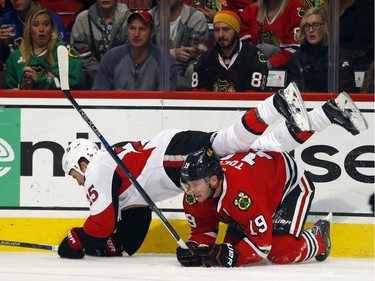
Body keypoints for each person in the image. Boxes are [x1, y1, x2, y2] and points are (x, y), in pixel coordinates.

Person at [57, 82, 368, 259]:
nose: (79, 182)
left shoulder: (97, 166)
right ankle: (329, 112)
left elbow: (100, 222)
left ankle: (276, 102)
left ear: (81, 162)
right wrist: (111, 245)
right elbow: (131, 224)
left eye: (75, 175)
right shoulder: (117, 174)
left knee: (229, 140)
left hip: (169, 159)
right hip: (169, 157)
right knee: (266, 147)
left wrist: (76, 239)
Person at [176, 91, 368, 267]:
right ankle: (326, 112)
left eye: (195, 184)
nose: (190, 190)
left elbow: (262, 245)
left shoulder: (241, 195)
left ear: (214, 180)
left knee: (280, 252)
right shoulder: (197, 193)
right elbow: (202, 230)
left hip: (288, 185)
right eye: (188, 184)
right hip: (262, 175)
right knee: (229, 247)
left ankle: (319, 239)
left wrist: (235, 257)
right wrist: (194, 248)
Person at [92, 10, 177, 90]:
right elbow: (98, 95)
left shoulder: (165, 61)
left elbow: (166, 101)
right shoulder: (111, 58)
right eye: (132, 28)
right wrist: (115, 98)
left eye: (142, 29)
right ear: (126, 31)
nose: (136, 34)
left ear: (151, 33)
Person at [4, 7, 82, 89]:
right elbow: (10, 90)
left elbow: (74, 81)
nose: (41, 29)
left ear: (52, 29)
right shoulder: (15, 57)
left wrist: (40, 80)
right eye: (36, 25)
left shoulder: (63, 50)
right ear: (29, 30)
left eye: (46, 24)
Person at [192, 10, 268, 92]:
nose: (221, 35)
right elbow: (199, 96)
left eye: (226, 29)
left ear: (236, 31)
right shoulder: (204, 59)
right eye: (217, 30)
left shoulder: (254, 56)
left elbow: (253, 95)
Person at [287, 7, 356, 93]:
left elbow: (346, 92)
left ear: (325, 27)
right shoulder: (297, 59)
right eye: (307, 26)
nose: (311, 30)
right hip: (306, 104)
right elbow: (292, 94)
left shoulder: (338, 56)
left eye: (316, 25)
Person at [70, 0, 130, 89]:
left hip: (123, 78)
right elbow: (79, 51)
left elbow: (130, 51)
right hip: (90, 81)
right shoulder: (83, 19)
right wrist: (101, 76)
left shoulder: (129, 19)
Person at [149, 0, 209, 90]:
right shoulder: (148, 17)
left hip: (186, 75)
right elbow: (142, 53)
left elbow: (198, 55)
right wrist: (173, 54)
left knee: (194, 69)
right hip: (155, 73)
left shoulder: (196, 17)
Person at [240, 0, 307, 70]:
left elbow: (296, 47)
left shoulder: (295, 9)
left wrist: (270, 64)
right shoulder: (252, 9)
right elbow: (241, 44)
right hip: (253, 65)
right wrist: (258, 49)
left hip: (288, 69)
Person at [0, 0, 66, 68]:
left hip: (47, 71)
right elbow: (5, 59)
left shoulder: (51, 20)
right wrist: (1, 43)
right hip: (17, 72)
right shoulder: (8, 19)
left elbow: (60, 56)